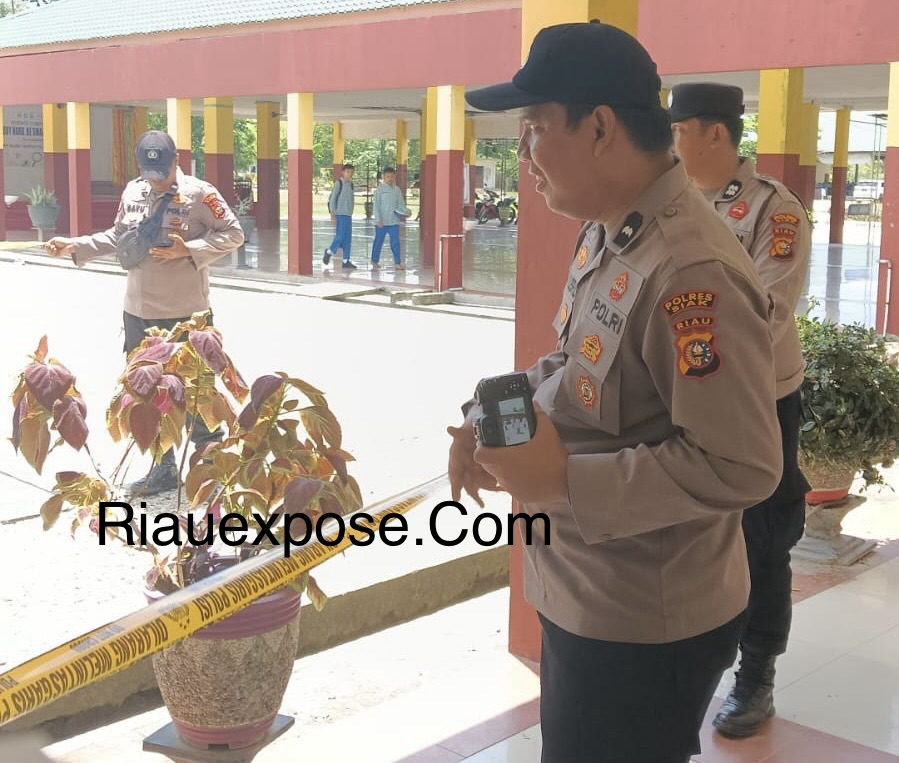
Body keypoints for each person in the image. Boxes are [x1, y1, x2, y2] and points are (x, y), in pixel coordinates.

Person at [449, 21, 783, 762]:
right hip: (584, 585)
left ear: (598, 127)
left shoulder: (689, 269)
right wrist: (491, 410)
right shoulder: (610, 228)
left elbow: (742, 464)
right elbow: (576, 359)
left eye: (534, 127)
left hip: (643, 618)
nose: (523, 154)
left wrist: (564, 479)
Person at [670, 82, 812, 739]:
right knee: (692, 533)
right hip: (685, 397)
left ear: (714, 135)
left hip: (760, 399)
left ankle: (755, 676)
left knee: (762, 540)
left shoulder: (771, 211)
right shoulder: (672, 203)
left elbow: (766, 308)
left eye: (679, 131)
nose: (671, 144)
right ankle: (695, 661)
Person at [46, 130, 244, 495]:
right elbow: (117, 235)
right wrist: (75, 245)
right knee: (148, 394)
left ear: (176, 163)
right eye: (150, 172)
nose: (156, 180)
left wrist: (190, 249)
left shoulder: (201, 194)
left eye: (163, 172)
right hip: (138, 312)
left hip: (187, 313)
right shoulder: (134, 192)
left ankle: (211, 466)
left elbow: (234, 234)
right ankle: (162, 467)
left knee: (197, 388)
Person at [370, 166, 411, 271]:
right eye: (387, 176)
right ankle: (374, 261)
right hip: (382, 222)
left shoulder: (397, 190)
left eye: (392, 176)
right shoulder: (379, 190)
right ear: (383, 177)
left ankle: (397, 263)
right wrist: (378, 220)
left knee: (395, 242)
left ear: (394, 177)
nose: (390, 178)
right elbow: (376, 206)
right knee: (378, 241)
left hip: (393, 221)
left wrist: (406, 212)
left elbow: (401, 205)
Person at [323, 163, 357, 270]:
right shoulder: (339, 183)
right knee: (340, 236)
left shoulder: (351, 184)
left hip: (348, 214)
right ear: (343, 172)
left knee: (347, 238)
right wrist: (333, 213)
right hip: (340, 214)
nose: (350, 174)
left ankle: (346, 260)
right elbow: (333, 199)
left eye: (351, 172)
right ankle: (329, 251)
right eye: (347, 172)